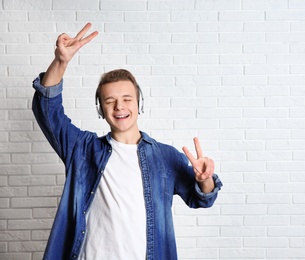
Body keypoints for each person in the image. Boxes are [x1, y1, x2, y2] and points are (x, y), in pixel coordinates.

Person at [32, 23, 222, 260]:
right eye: (110, 100)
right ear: (101, 109)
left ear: (138, 103)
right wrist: (61, 62)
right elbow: (47, 110)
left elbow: (201, 199)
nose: (119, 106)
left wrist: (205, 181)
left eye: (126, 99)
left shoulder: (165, 157)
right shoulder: (82, 149)